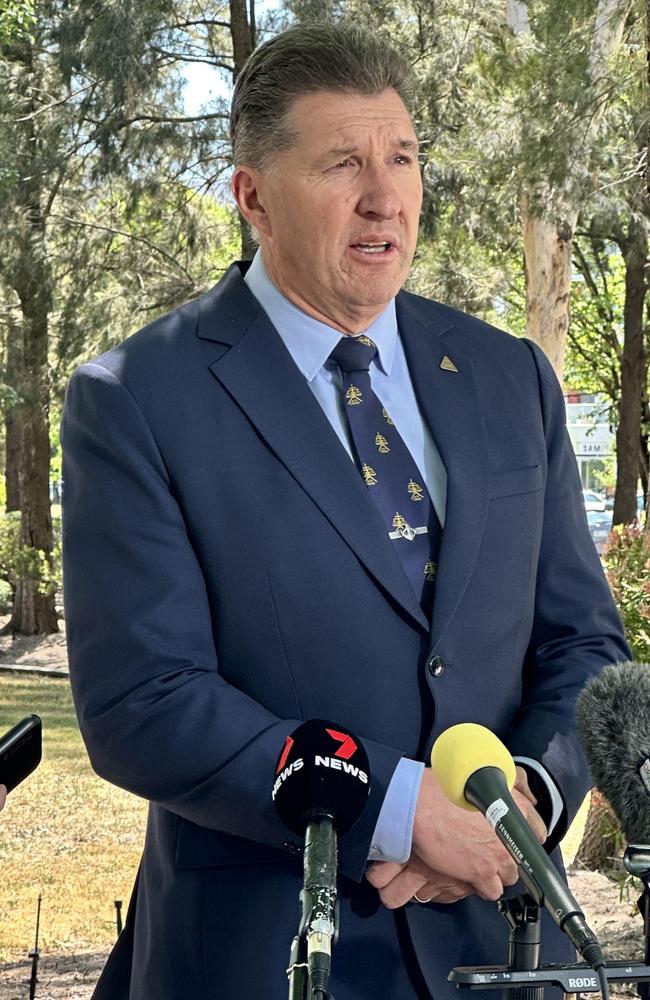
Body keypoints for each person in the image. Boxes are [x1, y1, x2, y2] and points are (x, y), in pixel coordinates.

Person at [61, 22, 629, 1000]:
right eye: (341, 162)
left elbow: (580, 645)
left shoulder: (508, 378)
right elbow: (142, 701)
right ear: (250, 198)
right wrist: (402, 809)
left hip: (497, 954)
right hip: (261, 960)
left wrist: (521, 799)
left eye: (401, 157)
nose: (383, 196)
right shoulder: (137, 398)